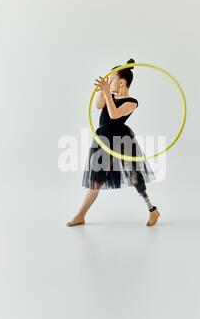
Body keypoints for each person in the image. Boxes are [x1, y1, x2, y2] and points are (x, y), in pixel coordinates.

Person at [66, 58, 160, 226]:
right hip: (103, 139)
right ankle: (81, 215)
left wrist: (108, 93)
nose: (109, 82)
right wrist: (103, 92)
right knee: (96, 179)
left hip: (121, 140)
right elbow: (98, 105)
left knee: (134, 176)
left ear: (122, 82)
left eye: (112, 80)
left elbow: (115, 114)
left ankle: (152, 210)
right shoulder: (110, 96)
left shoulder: (132, 102)